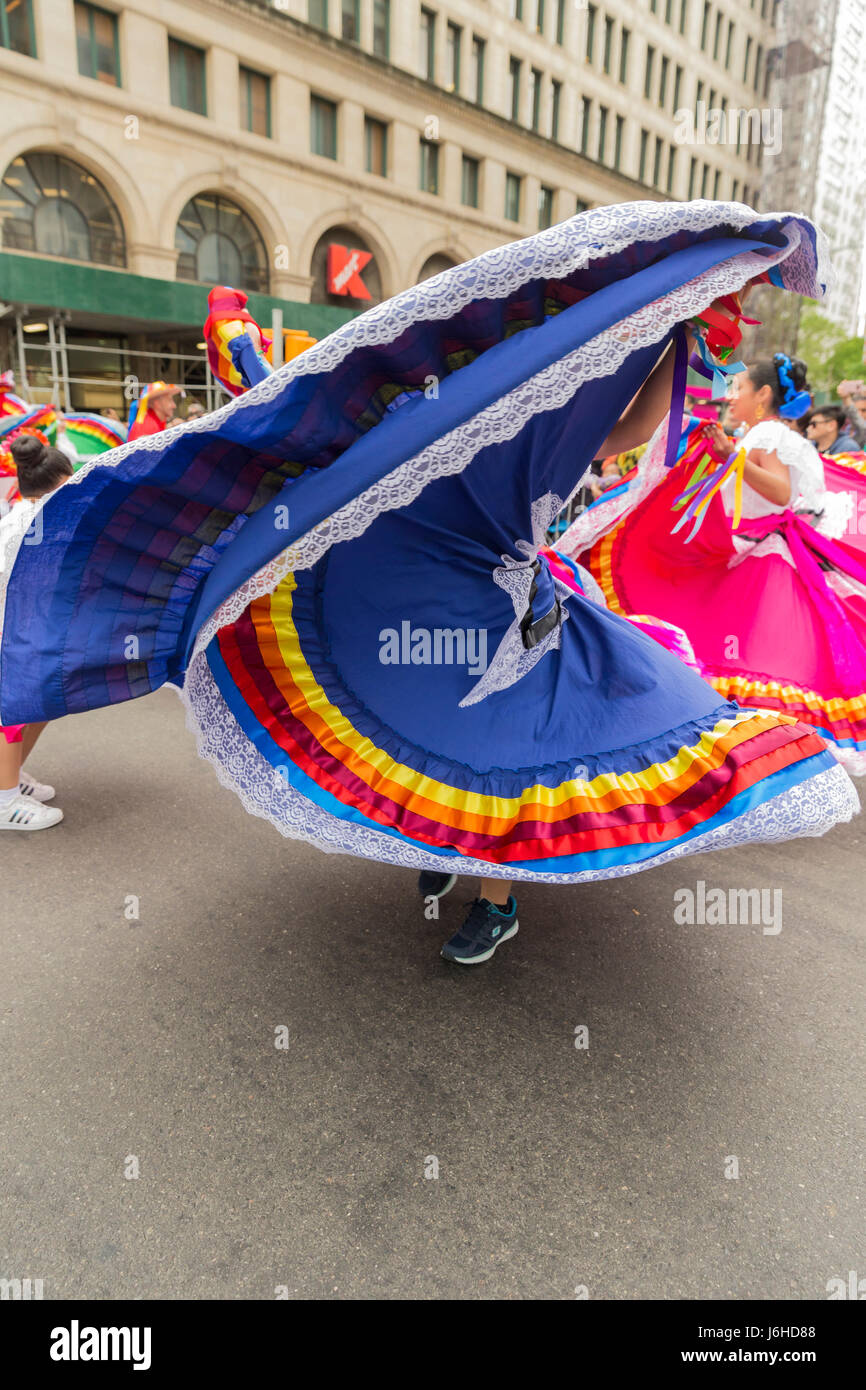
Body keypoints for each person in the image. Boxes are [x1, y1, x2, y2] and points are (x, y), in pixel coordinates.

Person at [1, 207, 859, 965]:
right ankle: (450, 848)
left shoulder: (577, 385)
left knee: (511, 738)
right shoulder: (472, 386)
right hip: (423, 562)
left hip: (503, 580)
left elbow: (620, 438)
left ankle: (496, 897)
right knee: (421, 703)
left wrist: (676, 345)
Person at [561, 353, 866, 775]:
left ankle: (747, 751)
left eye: (738, 388)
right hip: (782, 556)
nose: (730, 397)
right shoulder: (793, 440)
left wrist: (729, 457)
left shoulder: (766, 437)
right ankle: (762, 750)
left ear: (762, 395)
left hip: (764, 558)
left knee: (739, 647)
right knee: (770, 656)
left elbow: (779, 495)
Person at [0, 435, 71, 830]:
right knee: (12, 713)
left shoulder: (31, 518)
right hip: (9, 634)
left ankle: (8, 779)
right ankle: (5, 801)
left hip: (23, 631)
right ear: (59, 482)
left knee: (39, 706)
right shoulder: (30, 524)